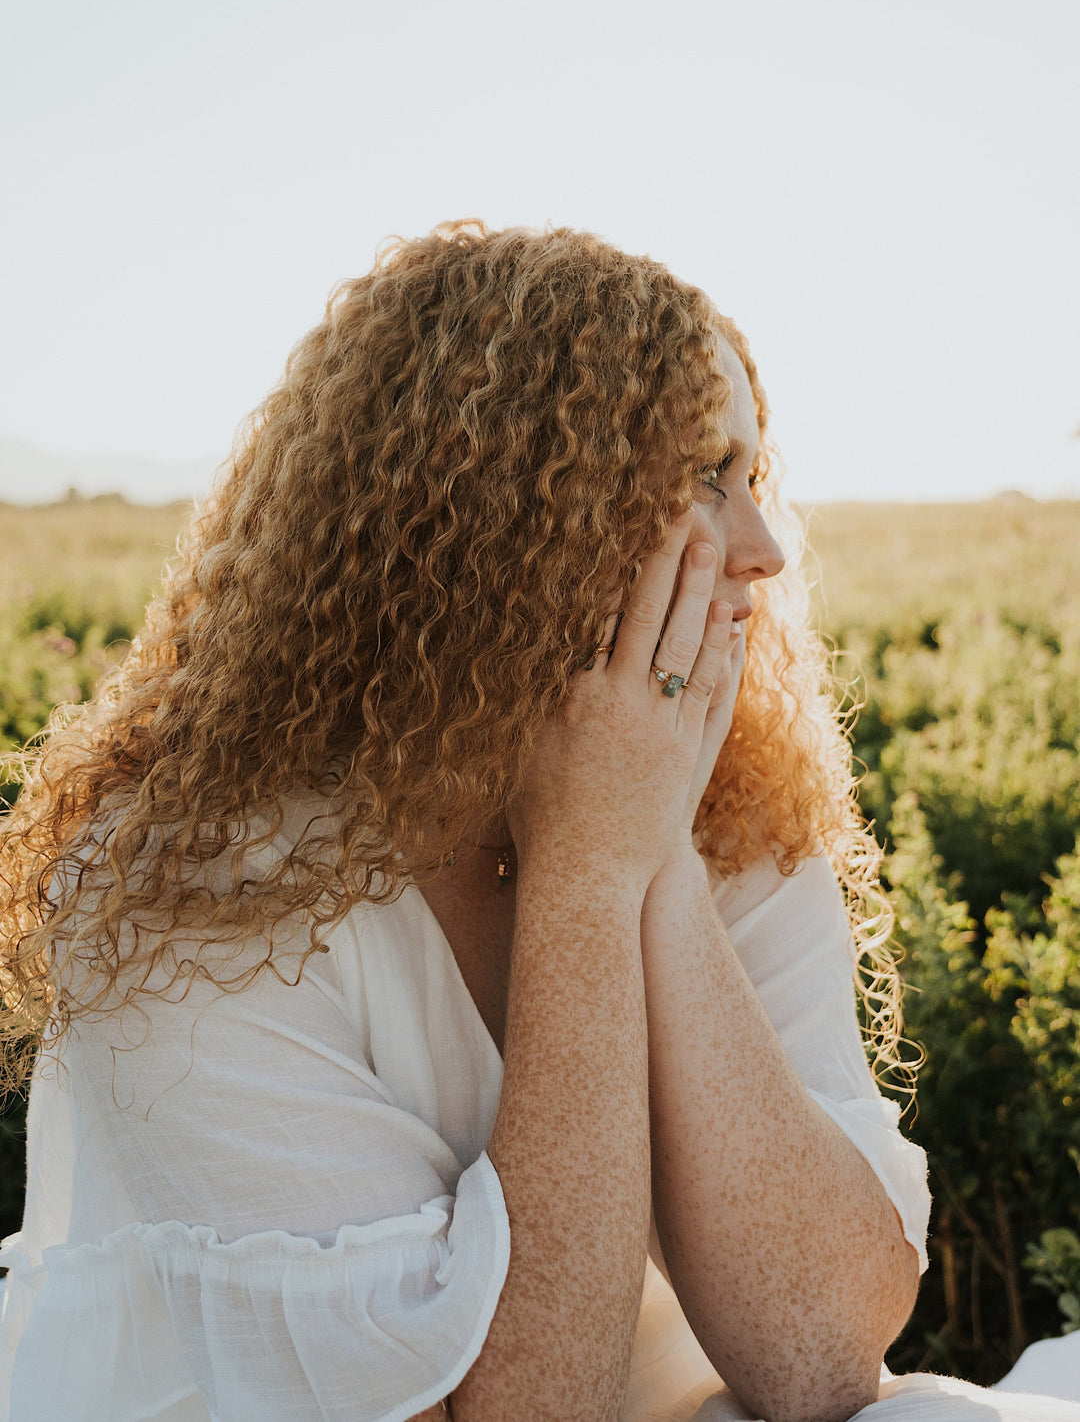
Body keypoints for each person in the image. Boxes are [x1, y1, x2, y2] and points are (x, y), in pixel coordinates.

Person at [0, 221, 1075, 1422]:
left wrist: (647, 841)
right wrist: (585, 871)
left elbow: (819, 1354)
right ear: (507, 518)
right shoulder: (195, 888)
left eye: (755, 479)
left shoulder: (723, 803)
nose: (764, 551)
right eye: (702, 481)